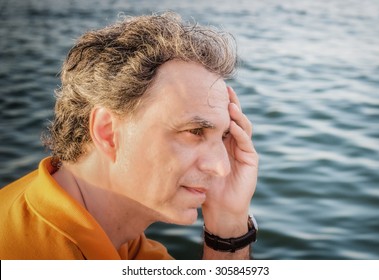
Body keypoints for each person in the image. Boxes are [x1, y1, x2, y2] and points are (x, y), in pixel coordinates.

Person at [0, 12, 259, 260]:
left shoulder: (119, 239)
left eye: (224, 136)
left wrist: (229, 222)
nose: (222, 168)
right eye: (194, 132)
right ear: (108, 132)